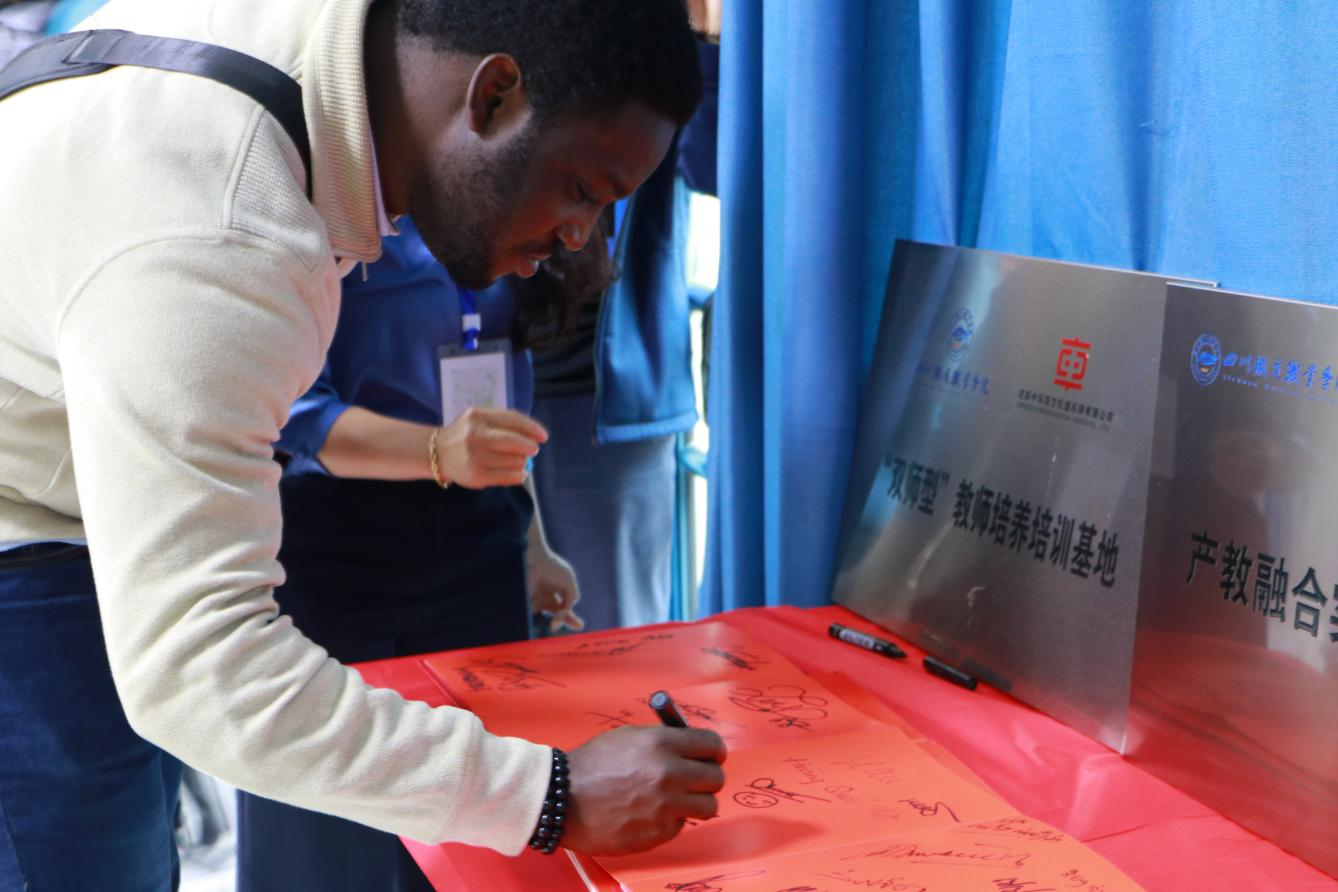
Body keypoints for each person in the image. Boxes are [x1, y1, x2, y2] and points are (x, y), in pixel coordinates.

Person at [0, 1, 726, 889]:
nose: (581, 238)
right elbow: (202, 675)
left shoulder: (319, 63)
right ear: (494, 94)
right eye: (583, 191)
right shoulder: (225, 225)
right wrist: (550, 796)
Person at [235, 215, 601, 892]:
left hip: (479, 533)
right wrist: (436, 452)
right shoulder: (332, 222)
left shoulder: (524, 225)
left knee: (477, 808)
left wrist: (535, 547)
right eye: (581, 190)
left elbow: (496, 411)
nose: (579, 223)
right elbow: (295, 412)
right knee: (326, 815)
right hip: (337, 538)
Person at [530, 40, 720, 631]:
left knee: (616, 638)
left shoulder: (652, 48)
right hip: (473, 384)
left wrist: (705, 36)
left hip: (613, 401)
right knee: (495, 652)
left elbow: (714, 163)